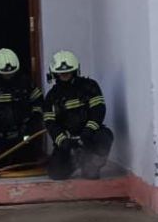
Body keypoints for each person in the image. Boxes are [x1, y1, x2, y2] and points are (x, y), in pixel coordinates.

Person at [42, 50, 113, 181]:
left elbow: (99, 111)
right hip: (67, 139)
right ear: (54, 73)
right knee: (56, 174)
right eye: (61, 73)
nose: (64, 75)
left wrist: (88, 131)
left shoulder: (89, 86)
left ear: (75, 70)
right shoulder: (51, 97)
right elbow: (50, 123)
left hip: (89, 135)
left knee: (105, 136)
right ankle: (75, 161)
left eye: (68, 72)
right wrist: (62, 141)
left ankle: (92, 165)